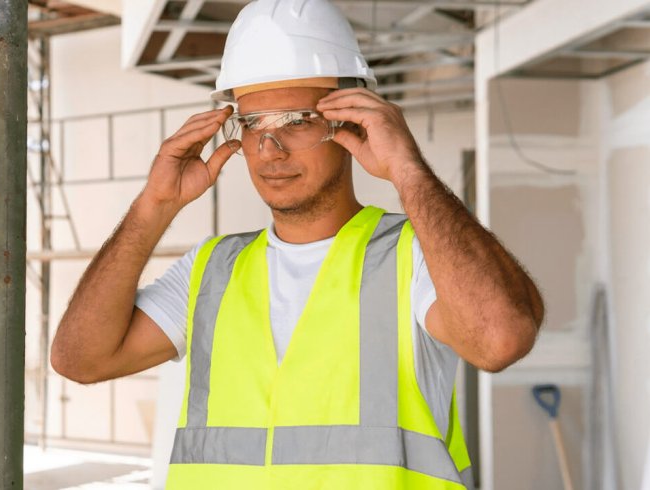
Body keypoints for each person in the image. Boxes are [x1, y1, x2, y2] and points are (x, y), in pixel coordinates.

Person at [51, 0, 544, 488]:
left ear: (350, 122)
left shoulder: (413, 255)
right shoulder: (211, 269)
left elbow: (499, 340)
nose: (270, 150)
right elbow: (80, 359)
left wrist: (408, 171)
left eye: (296, 121)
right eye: (251, 126)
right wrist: (153, 207)